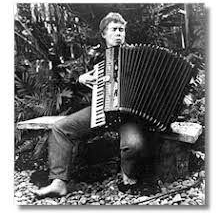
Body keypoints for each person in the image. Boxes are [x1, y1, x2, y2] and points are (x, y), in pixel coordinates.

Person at [32, 12, 157, 198]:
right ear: (104, 34)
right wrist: (82, 79)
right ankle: (58, 182)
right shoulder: (98, 58)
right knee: (60, 128)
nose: (118, 34)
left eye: (121, 30)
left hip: (131, 115)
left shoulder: (138, 55)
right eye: (113, 30)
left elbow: (154, 82)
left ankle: (128, 176)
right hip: (102, 110)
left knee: (133, 145)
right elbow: (82, 81)